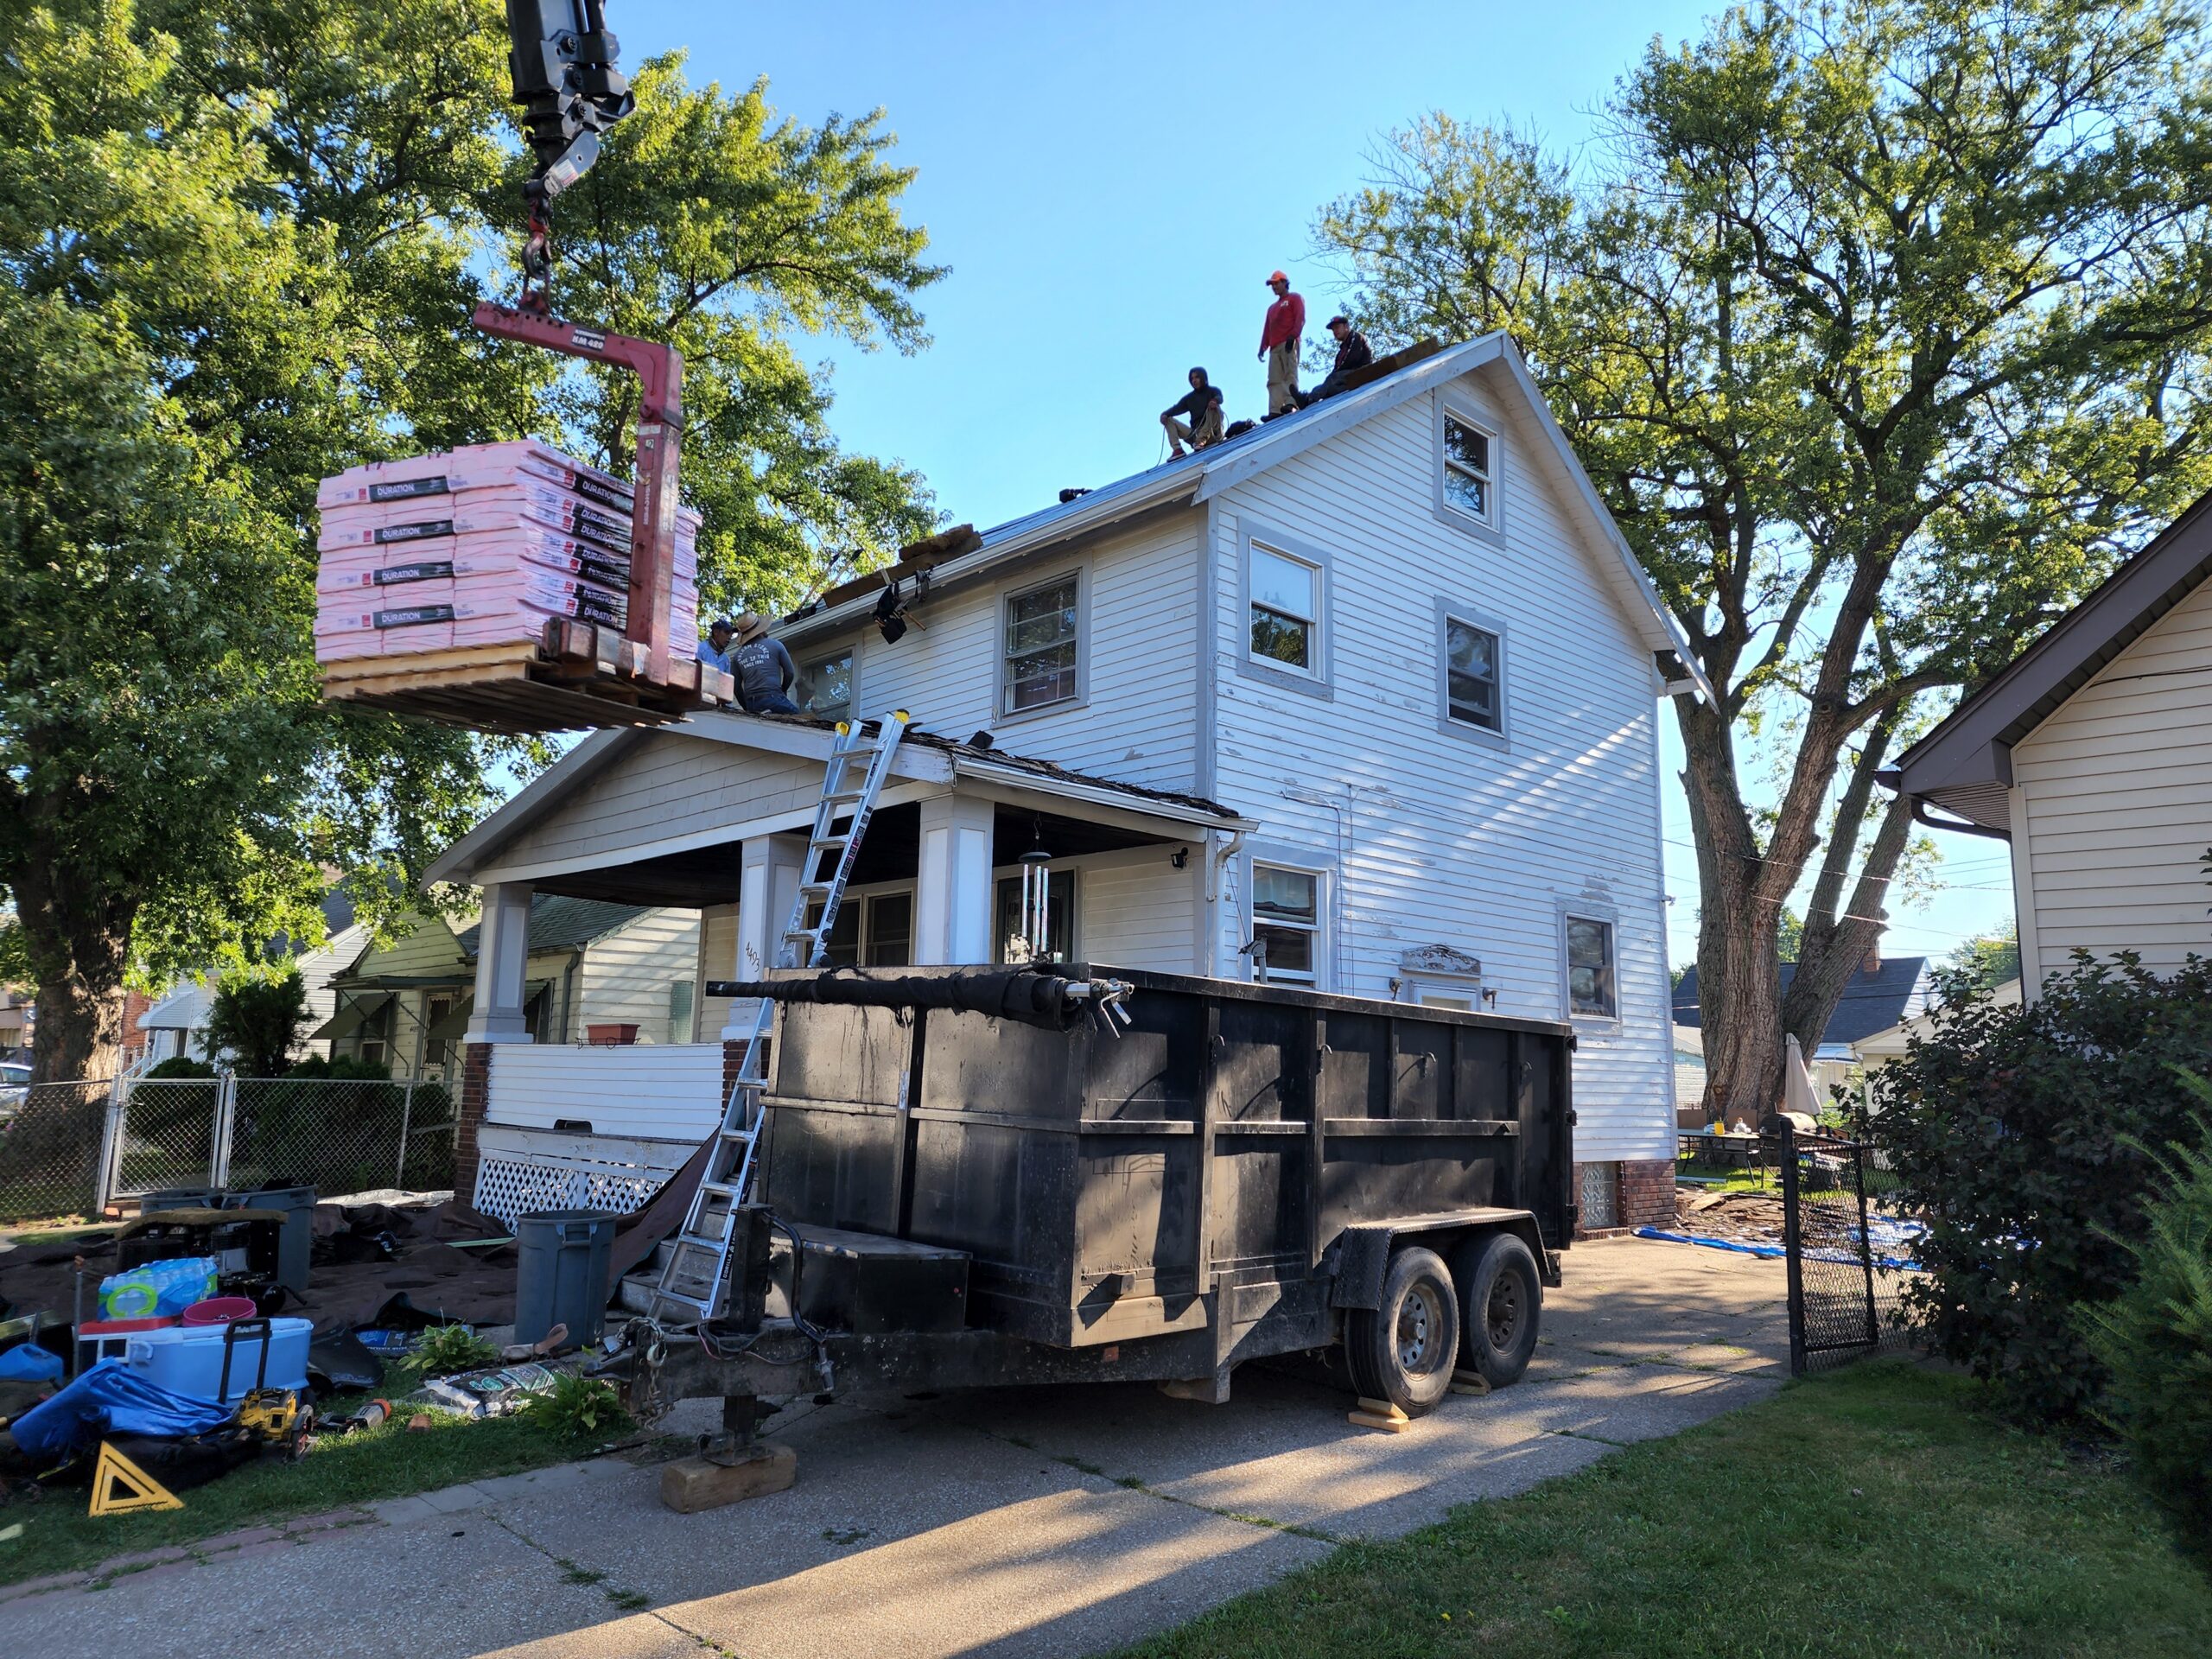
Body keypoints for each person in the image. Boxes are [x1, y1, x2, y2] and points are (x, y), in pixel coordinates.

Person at [730, 613, 801, 715]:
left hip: (752, 703)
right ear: (761, 630)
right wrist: (783, 690)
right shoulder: (776, 645)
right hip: (773, 697)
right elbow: (789, 673)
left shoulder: (737, 656)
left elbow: (736, 687)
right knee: (798, 718)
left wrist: (747, 708)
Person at [1257, 270, 1305, 416]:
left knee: (1289, 373)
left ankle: (1291, 402)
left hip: (1289, 342)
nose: (1274, 287)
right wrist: (1263, 347)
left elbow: (1300, 318)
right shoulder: (1272, 308)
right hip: (1274, 346)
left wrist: (1293, 335)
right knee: (1274, 378)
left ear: (1285, 283)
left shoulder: (1294, 298)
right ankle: (1275, 409)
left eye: (1277, 283)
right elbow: (1267, 328)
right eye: (1272, 284)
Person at [1299, 316, 1374, 407]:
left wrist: (1333, 376)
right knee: (1321, 388)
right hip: (1349, 379)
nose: (1335, 331)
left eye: (1337, 327)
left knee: (1332, 379)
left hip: (1361, 374)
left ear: (1346, 326)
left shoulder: (1355, 337)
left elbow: (1351, 359)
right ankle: (1304, 402)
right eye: (1333, 329)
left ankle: (1308, 400)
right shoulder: (1342, 349)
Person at [1160, 368, 1225, 456]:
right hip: (1195, 435)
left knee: (1214, 408)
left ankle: (1201, 440)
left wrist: (1214, 401)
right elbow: (1176, 408)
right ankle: (1178, 450)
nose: (1194, 380)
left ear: (1203, 377)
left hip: (1212, 434)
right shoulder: (1189, 398)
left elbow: (1219, 398)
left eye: (1197, 377)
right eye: (1192, 379)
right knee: (1168, 419)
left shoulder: (1213, 391)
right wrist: (1164, 414)